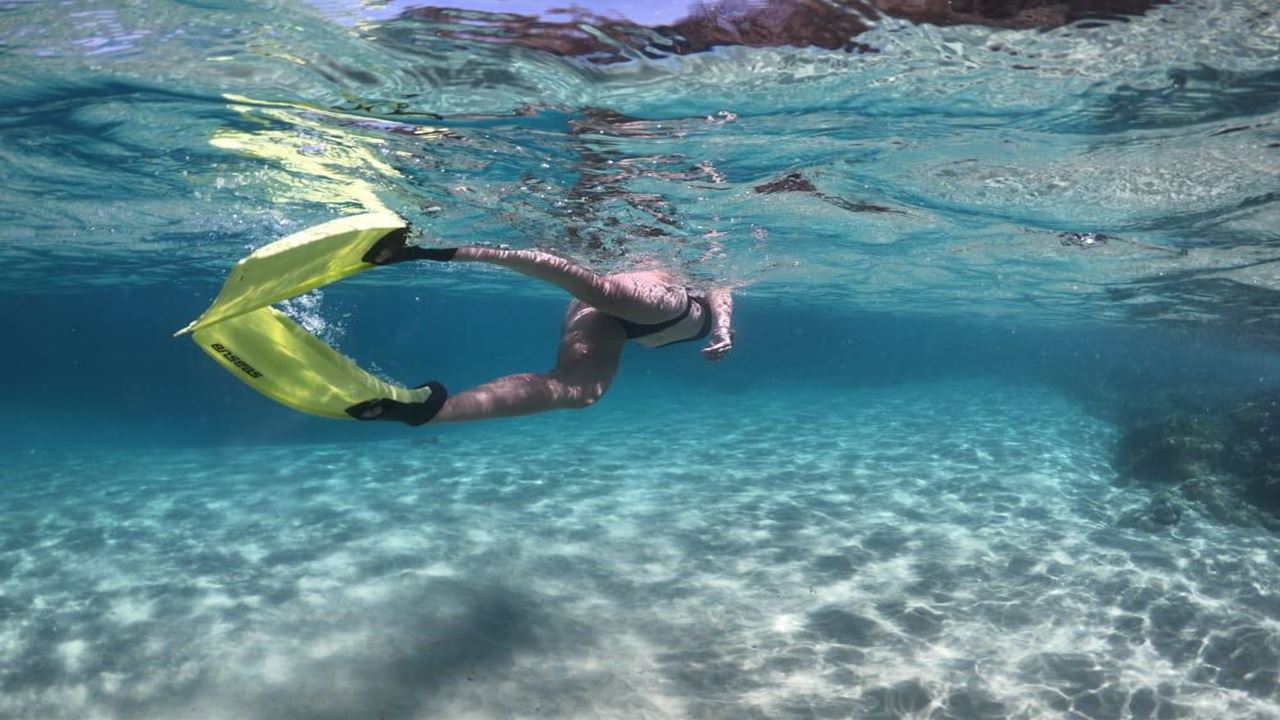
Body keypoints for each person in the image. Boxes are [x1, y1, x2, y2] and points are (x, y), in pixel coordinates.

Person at [345, 244, 735, 425]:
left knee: (581, 392)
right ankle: (443, 251)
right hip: (670, 305)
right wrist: (721, 328)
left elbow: (719, 283)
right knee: (603, 291)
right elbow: (719, 284)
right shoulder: (681, 255)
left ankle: (430, 412)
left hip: (606, 319)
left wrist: (722, 327)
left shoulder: (692, 254)